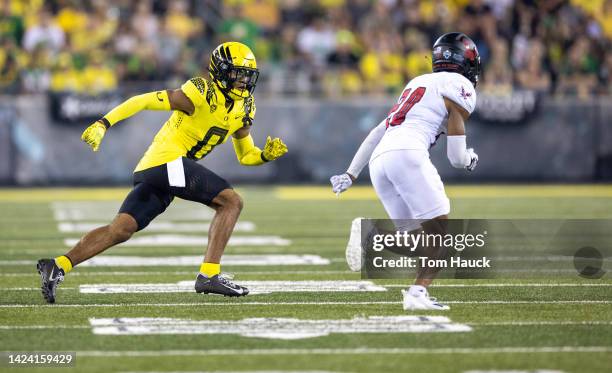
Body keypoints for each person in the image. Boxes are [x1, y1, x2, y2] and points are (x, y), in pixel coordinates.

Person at [37, 41, 287, 303]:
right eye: (237, 74)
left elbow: (246, 154)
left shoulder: (244, 107)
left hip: (164, 170)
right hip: (165, 161)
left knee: (121, 229)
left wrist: (265, 156)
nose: (243, 81)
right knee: (231, 201)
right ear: (220, 72)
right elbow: (143, 101)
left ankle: (58, 265)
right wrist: (104, 123)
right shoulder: (200, 92)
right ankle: (209, 275)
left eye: (247, 75)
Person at [330, 32, 481, 311]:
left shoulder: (417, 82)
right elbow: (457, 158)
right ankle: (415, 292)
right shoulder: (460, 86)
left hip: (380, 161)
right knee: (439, 237)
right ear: (467, 61)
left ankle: (378, 241)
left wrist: (351, 173)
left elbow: (379, 130)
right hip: (408, 155)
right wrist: (471, 159)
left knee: (417, 239)